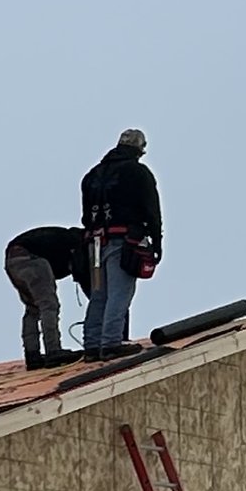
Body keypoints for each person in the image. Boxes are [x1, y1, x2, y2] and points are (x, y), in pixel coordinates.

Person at [79, 128, 161, 356]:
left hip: (94, 244)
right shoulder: (138, 172)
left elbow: (86, 218)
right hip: (123, 242)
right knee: (119, 292)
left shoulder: (92, 175)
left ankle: (92, 346)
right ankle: (112, 343)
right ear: (139, 149)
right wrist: (157, 242)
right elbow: (152, 210)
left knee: (99, 295)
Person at [2, 223, 90, 368]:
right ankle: (53, 351)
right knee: (49, 305)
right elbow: (81, 272)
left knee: (32, 308)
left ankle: (32, 355)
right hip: (32, 259)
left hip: (12, 261)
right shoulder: (78, 243)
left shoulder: (67, 239)